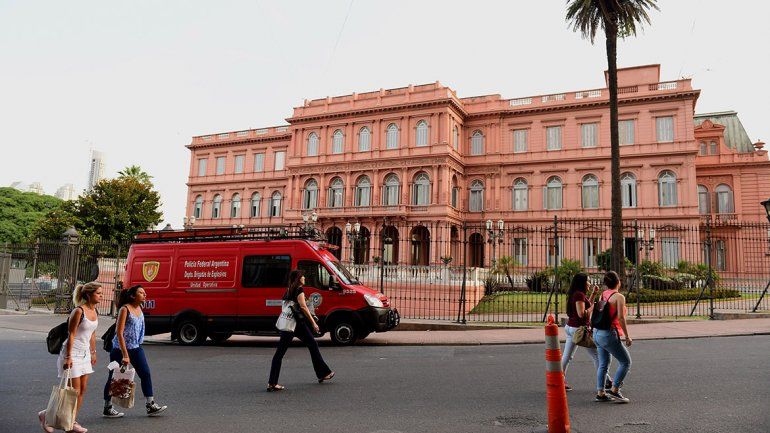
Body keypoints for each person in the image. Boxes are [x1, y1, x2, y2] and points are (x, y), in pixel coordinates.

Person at [38, 282, 103, 433]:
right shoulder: (79, 311)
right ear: (88, 294)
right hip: (72, 353)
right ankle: (69, 422)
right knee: (74, 390)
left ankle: (52, 416)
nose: (101, 295)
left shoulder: (95, 311)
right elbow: (71, 334)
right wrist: (68, 357)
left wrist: (93, 352)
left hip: (85, 354)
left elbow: (92, 333)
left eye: (101, 293)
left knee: (82, 390)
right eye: (98, 293)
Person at [102, 285, 167, 417]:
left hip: (136, 348)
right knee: (114, 378)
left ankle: (150, 404)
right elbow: (119, 333)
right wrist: (125, 355)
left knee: (145, 374)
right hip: (119, 350)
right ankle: (107, 407)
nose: (145, 295)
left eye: (145, 292)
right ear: (133, 296)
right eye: (141, 293)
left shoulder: (139, 308)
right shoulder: (124, 309)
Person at [267, 269, 334, 391]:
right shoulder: (299, 289)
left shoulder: (288, 290)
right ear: (298, 279)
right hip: (296, 324)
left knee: (310, 345)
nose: (304, 278)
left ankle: (323, 373)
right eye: (302, 276)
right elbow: (303, 307)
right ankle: (272, 382)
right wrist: (314, 323)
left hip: (290, 324)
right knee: (308, 346)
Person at [561, 273, 611, 392]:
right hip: (579, 330)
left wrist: (593, 294)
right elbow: (581, 314)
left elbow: (585, 304)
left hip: (572, 328)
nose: (589, 283)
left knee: (567, 356)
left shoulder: (577, 294)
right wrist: (594, 307)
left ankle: (559, 380)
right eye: (587, 281)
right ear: (582, 283)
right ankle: (607, 381)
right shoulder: (578, 295)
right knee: (596, 356)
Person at [594, 271, 633, 403]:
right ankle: (615, 389)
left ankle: (600, 392)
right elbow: (621, 318)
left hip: (597, 332)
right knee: (626, 362)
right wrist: (627, 336)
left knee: (603, 364)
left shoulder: (603, 294)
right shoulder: (619, 297)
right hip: (608, 334)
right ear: (618, 282)